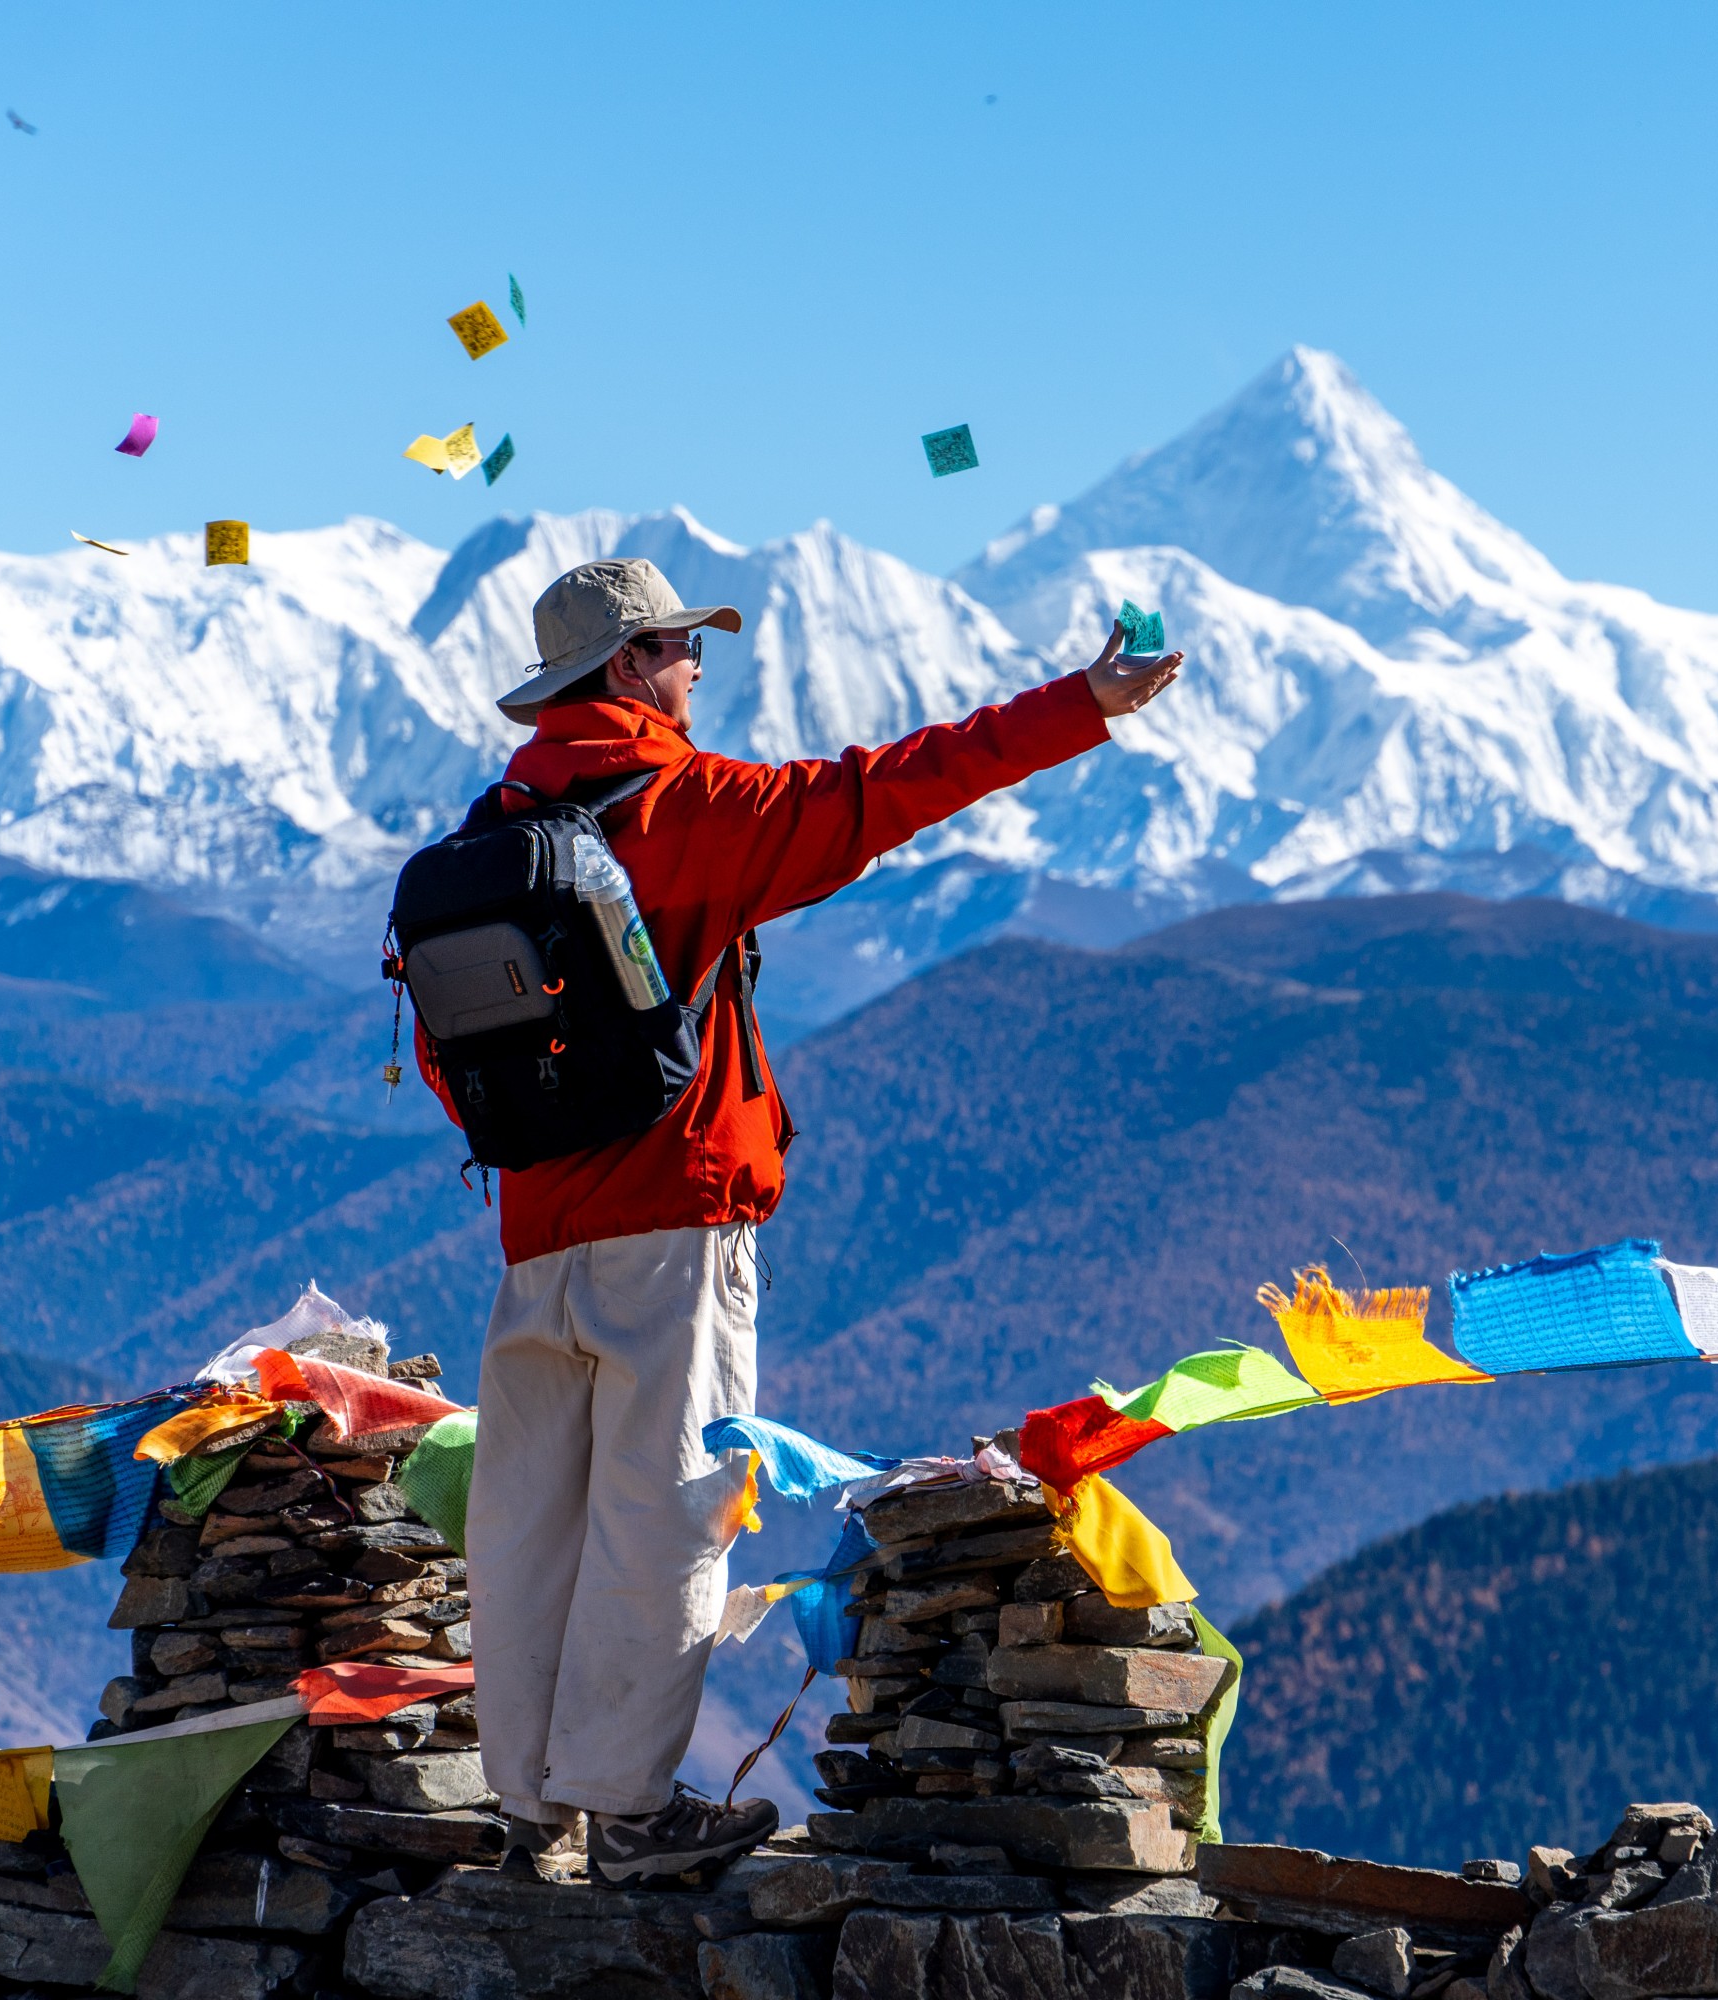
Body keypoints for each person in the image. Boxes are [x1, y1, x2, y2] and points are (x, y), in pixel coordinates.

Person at [432, 555, 1181, 1888]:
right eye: (678, 648)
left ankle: (528, 1808)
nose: (695, 669)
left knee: (526, 1523)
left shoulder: (489, 830)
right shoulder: (687, 808)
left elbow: (451, 1059)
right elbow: (882, 791)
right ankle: (631, 1813)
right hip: (676, 1222)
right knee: (668, 1513)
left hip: (531, 1233)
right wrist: (1084, 703)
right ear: (624, 670)